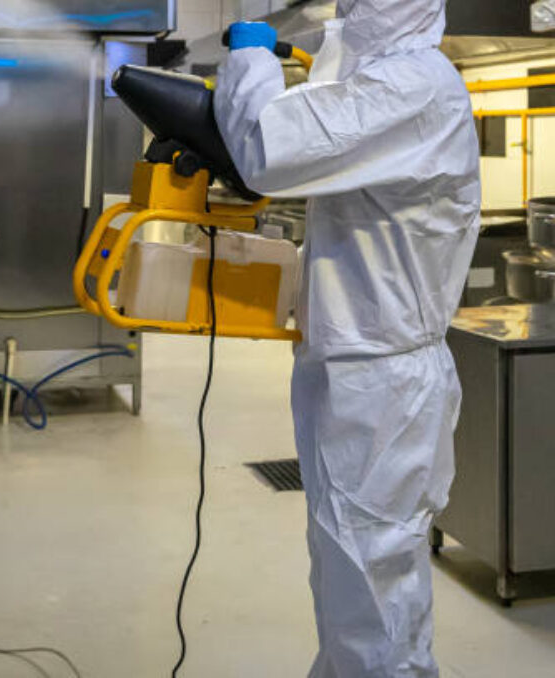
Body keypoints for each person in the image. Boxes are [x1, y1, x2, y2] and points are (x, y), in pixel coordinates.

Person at [214, 1, 481, 676]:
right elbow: (335, 91)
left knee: (371, 586)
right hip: (358, 371)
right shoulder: (389, 77)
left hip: (382, 384)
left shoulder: (415, 85)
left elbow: (269, 150)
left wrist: (251, 52)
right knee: (349, 573)